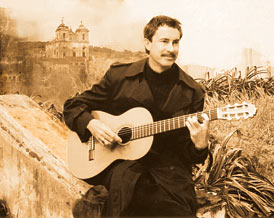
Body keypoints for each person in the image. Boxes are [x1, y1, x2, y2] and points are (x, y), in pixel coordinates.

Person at [63, 15, 209, 217]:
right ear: (148, 44)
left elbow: (187, 153)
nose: (171, 49)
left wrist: (200, 145)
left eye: (176, 42)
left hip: (168, 171)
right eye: (164, 41)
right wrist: (91, 124)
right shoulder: (121, 76)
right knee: (132, 187)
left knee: (167, 203)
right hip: (121, 164)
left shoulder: (192, 91)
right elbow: (73, 106)